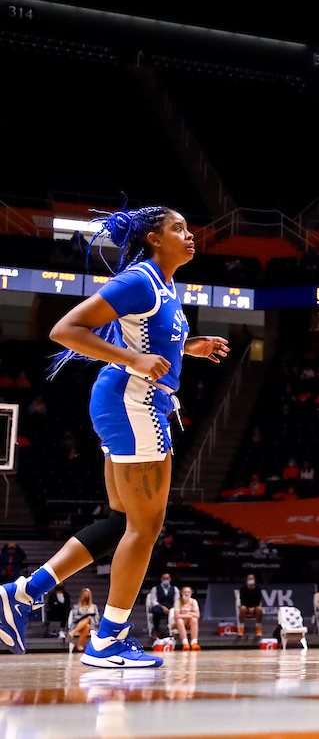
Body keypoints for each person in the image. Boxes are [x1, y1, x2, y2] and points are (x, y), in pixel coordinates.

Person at [0, 207, 228, 667]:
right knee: (146, 529)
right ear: (154, 239)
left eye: (188, 228)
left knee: (122, 523)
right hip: (135, 402)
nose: (190, 235)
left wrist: (188, 347)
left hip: (130, 401)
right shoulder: (140, 279)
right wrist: (133, 360)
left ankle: (22, 593)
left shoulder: (164, 286)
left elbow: (150, 341)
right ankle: (108, 640)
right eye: (178, 229)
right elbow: (64, 330)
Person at [67, 588, 99, 654]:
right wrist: (84, 615)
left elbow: (97, 619)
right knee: (87, 624)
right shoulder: (76, 606)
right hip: (78, 625)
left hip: (91, 626)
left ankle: (73, 633)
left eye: (87, 595)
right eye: (84, 595)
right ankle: (79, 645)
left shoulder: (94, 607)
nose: (86, 597)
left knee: (88, 620)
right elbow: (75, 617)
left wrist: (89, 617)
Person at [149, 573, 179, 641]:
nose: (166, 580)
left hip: (171, 607)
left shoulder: (175, 589)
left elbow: (177, 601)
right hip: (160, 606)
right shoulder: (155, 589)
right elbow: (154, 601)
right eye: (164, 578)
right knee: (155, 611)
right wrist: (163, 607)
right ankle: (156, 631)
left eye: (167, 578)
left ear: (170, 579)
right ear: (161, 579)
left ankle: (173, 632)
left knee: (175, 612)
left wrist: (172, 608)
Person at [176, 586, 201, 651]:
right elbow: (176, 616)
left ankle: (194, 643)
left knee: (194, 620)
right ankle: (185, 643)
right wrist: (189, 614)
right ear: (182, 593)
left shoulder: (193, 601)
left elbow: (197, 615)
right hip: (181, 623)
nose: (187, 594)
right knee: (179, 621)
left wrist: (185, 614)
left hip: (189, 622)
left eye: (188, 592)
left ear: (191, 593)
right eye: (185, 592)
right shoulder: (178, 602)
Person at [239, 574, 264, 638]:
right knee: (242, 608)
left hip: (255, 607)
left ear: (254, 580)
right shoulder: (243, 589)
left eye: (252, 579)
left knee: (259, 609)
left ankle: (258, 627)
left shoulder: (258, 589)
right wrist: (248, 607)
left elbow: (259, 600)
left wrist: (253, 607)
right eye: (249, 579)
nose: (251, 580)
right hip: (246, 607)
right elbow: (242, 600)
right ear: (247, 580)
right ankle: (241, 627)